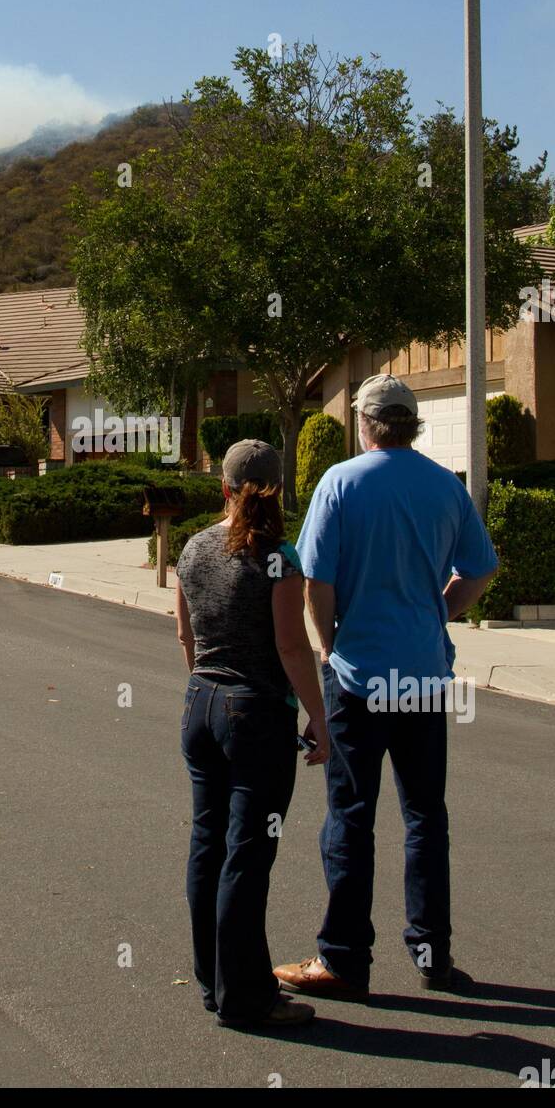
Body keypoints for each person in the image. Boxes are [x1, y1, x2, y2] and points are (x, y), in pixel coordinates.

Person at [274, 375, 498, 1003]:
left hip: (357, 677)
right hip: (423, 676)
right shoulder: (443, 487)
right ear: (412, 424)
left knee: (351, 816)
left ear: (365, 423)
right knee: (426, 816)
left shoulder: (341, 483)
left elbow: (316, 580)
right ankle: (433, 954)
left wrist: (327, 644)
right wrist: (437, 615)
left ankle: (343, 960)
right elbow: (479, 569)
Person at [175, 439, 329, 1029]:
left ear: (223, 487)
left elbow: (186, 637)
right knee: (247, 856)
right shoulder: (277, 559)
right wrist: (319, 719)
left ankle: (216, 982)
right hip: (256, 716)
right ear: (279, 488)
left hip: (201, 705)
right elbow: (292, 647)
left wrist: (204, 691)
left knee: (207, 845)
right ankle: (246, 997)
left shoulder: (192, 548)